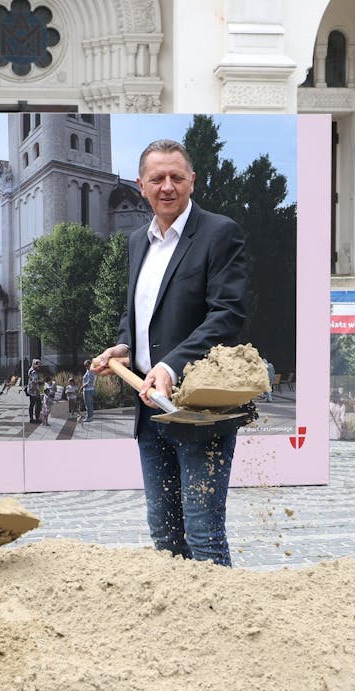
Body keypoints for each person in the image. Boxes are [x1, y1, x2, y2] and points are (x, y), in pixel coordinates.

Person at [90, 138, 249, 567]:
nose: (167, 186)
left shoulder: (219, 233)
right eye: (157, 178)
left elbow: (227, 315)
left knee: (203, 535)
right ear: (141, 185)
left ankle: (222, 626)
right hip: (150, 411)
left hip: (199, 411)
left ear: (192, 181)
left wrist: (169, 365)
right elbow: (139, 316)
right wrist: (124, 346)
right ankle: (179, 628)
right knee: (164, 533)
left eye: (176, 177)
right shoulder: (137, 243)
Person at [26, 359, 44, 423]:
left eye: (39, 366)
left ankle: (32, 418)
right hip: (34, 390)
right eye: (38, 366)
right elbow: (34, 382)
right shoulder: (34, 372)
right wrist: (37, 391)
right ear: (34, 365)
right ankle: (36, 418)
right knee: (37, 404)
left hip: (31, 389)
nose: (39, 367)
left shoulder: (30, 370)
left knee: (33, 404)